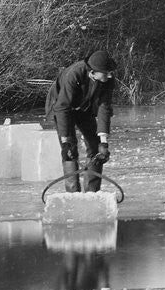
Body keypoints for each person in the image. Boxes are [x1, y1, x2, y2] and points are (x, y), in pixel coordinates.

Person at [45, 50, 117, 192]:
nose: (110, 75)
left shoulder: (108, 80)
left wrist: (103, 142)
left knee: (96, 147)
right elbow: (63, 107)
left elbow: (104, 108)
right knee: (70, 149)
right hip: (62, 108)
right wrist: (65, 142)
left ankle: (92, 192)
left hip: (85, 108)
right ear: (92, 72)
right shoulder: (73, 74)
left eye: (111, 72)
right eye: (106, 72)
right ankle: (73, 193)